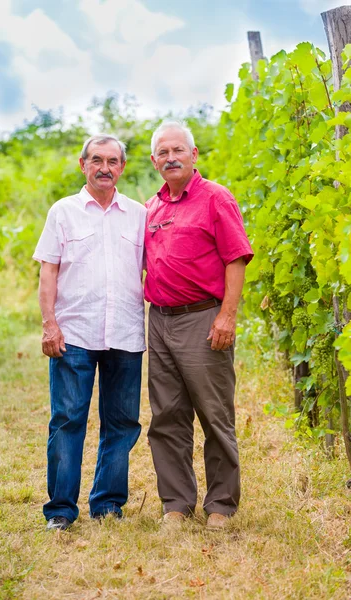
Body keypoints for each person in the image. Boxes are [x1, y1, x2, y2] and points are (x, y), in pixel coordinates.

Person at [33, 134, 146, 530]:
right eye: (96, 159)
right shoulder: (62, 212)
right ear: (82, 164)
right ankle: (61, 510)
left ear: (122, 168)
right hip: (74, 334)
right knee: (67, 420)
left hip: (126, 334)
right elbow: (48, 271)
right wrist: (50, 323)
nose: (104, 168)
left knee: (122, 422)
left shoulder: (138, 215)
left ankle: (107, 504)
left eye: (113, 161)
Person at [144, 121, 253, 529]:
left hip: (203, 319)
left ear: (194, 155)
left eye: (178, 150)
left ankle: (221, 506)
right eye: (163, 152)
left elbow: (236, 259)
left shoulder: (215, 199)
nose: (171, 158)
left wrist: (227, 315)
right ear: (154, 161)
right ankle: (175, 504)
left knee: (214, 413)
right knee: (167, 416)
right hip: (160, 320)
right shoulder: (152, 208)